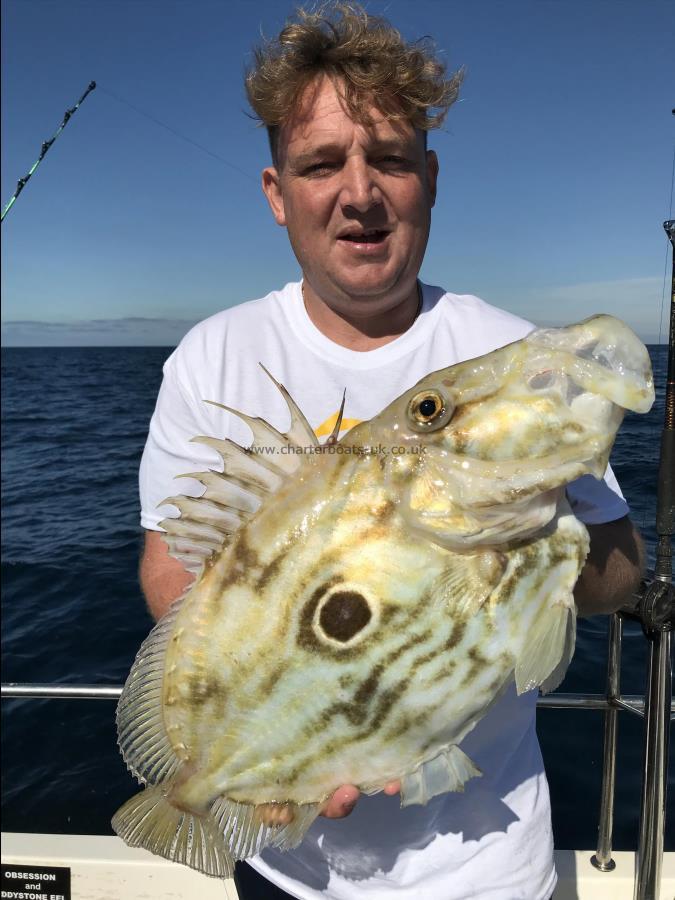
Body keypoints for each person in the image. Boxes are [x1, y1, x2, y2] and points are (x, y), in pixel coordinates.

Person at [138, 4, 644, 898]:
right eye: (321, 163)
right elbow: (169, 571)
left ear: (431, 178)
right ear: (275, 190)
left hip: (485, 868)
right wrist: (288, 716)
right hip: (283, 864)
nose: (359, 192)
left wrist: (546, 536)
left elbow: (618, 582)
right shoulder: (212, 357)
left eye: (391, 160)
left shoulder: (504, 352)